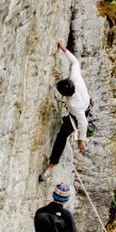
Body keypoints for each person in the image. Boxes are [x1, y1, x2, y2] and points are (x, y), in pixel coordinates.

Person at [38, 41, 90, 182]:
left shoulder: (75, 103)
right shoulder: (75, 78)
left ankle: (50, 166)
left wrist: (81, 139)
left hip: (80, 114)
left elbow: (83, 123)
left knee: (62, 136)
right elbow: (75, 62)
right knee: (63, 133)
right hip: (85, 105)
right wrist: (64, 49)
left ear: (66, 96)